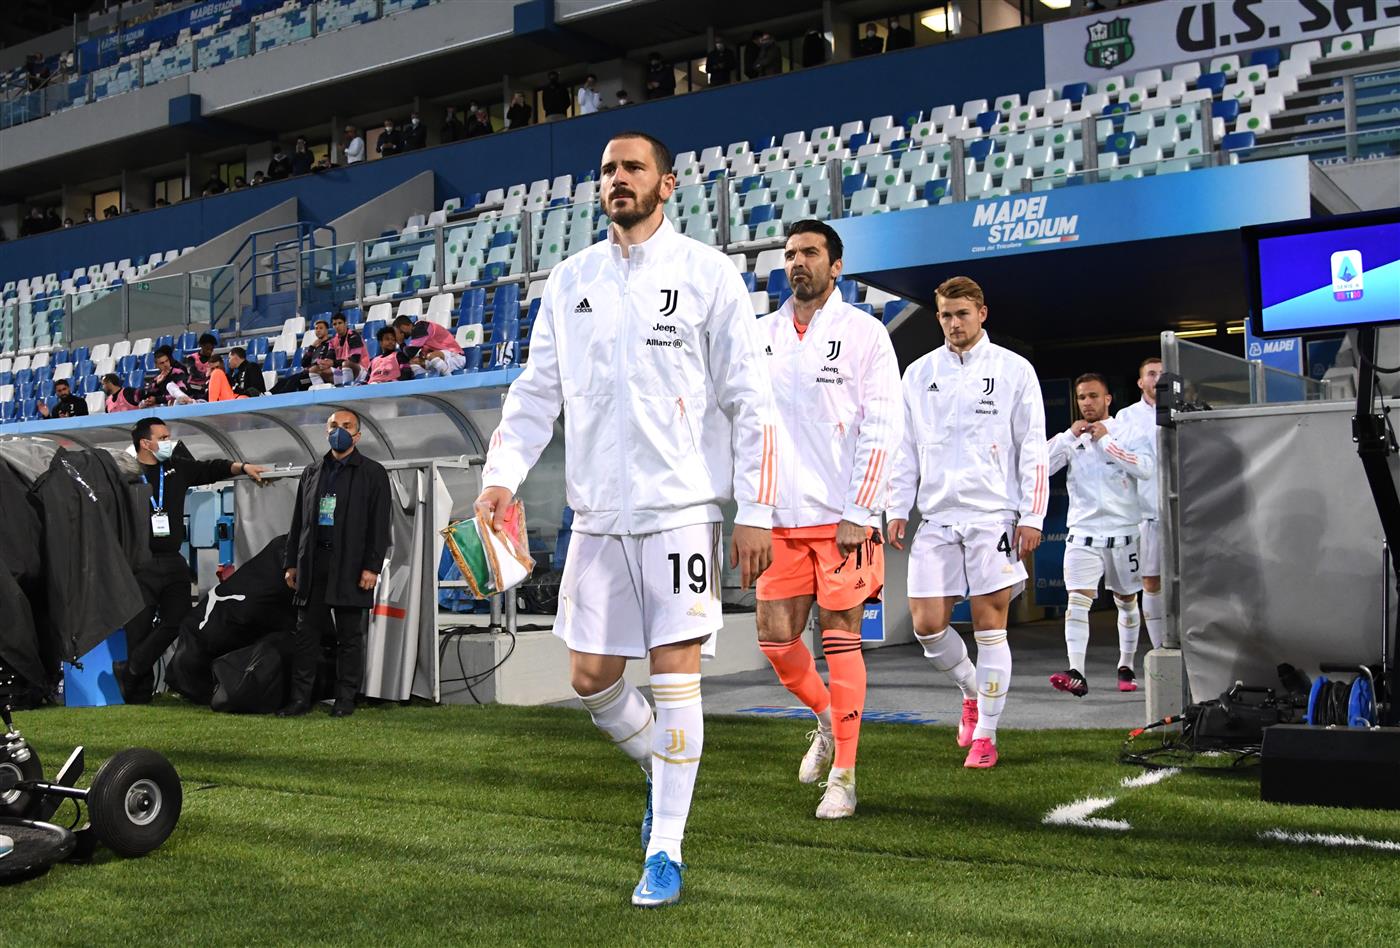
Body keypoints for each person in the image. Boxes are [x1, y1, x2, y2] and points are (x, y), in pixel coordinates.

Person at [474, 130, 776, 908]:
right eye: (607, 170)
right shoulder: (572, 280)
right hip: (598, 519)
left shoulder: (708, 275)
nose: (617, 179)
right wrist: (501, 478)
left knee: (675, 680)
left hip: (680, 514)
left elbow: (752, 401)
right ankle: (662, 768)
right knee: (589, 676)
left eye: (632, 168)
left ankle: (665, 848)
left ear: (667, 184)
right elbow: (537, 394)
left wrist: (757, 509)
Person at [754, 220, 901, 820]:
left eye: (810, 253)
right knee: (775, 641)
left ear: (835, 266)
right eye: (790, 254)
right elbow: (747, 425)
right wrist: (753, 509)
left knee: (840, 643)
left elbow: (883, 424)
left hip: (841, 518)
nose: (797, 262)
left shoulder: (866, 334)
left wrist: (860, 510)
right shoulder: (759, 334)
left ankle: (845, 773)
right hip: (779, 517)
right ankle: (823, 718)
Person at [886, 276, 1048, 770]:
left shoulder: (1015, 371)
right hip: (936, 517)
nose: (953, 324)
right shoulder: (918, 373)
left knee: (989, 628)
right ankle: (972, 692)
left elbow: (1033, 448)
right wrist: (896, 506)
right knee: (927, 626)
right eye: (945, 315)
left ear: (982, 313)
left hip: (992, 517)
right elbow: (904, 445)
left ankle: (987, 735)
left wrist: (1032, 514)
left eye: (962, 314)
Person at [113, 418, 267, 703]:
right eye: (164, 436)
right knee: (138, 628)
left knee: (179, 619)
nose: (169, 441)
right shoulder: (125, 474)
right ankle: (138, 693)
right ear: (145, 443)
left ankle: (131, 670)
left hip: (173, 560)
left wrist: (242, 467)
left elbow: (212, 468)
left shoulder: (176, 468)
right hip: (138, 562)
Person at [1046, 373, 1155, 697]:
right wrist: (1067, 437)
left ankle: (1126, 664)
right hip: (1083, 533)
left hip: (1123, 533)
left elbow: (1146, 468)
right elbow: (1039, 466)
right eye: (1081, 397)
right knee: (1077, 602)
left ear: (1108, 399)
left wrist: (1107, 441)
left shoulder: (1127, 431)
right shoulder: (1072, 438)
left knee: (1126, 601)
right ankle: (1076, 671)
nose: (1087, 403)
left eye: (1093, 396)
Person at [281, 409, 391, 717]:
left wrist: (372, 567)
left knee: (349, 636)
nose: (338, 431)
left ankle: (345, 700)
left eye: (346, 426)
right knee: (306, 636)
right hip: (314, 563)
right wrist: (292, 562)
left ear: (358, 435)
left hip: (352, 565)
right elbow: (298, 521)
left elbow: (379, 525)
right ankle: (300, 699)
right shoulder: (312, 471)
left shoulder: (373, 473)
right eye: (333, 426)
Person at [1114, 357, 1165, 651]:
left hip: (1182, 510)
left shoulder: (1181, 412)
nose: (1157, 379)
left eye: (1162, 374)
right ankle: (1160, 648)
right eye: (1151, 374)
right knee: (1151, 580)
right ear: (1140, 382)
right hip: (1145, 513)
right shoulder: (1127, 417)